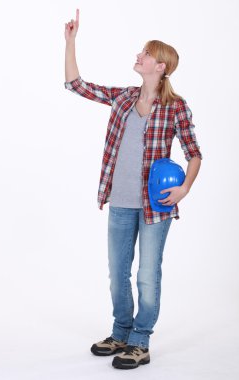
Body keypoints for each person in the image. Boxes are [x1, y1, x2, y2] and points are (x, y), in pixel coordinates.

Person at [64, 9, 203, 370]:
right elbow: (77, 86)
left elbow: (194, 153)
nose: (138, 56)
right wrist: (71, 41)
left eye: (145, 53)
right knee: (118, 272)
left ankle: (140, 341)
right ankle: (120, 331)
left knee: (146, 274)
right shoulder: (123, 98)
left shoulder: (175, 107)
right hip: (121, 202)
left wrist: (185, 188)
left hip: (156, 205)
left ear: (161, 66)